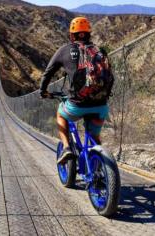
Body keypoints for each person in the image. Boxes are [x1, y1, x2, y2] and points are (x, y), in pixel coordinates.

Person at [40, 16, 114, 164]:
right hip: (101, 105)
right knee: (94, 138)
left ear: (72, 35)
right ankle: (100, 165)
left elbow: (48, 73)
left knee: (61, 113)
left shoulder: (64, 50)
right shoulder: (100, 51)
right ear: (88, 34)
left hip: (77, 105)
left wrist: (43, 91)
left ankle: (67, 148)